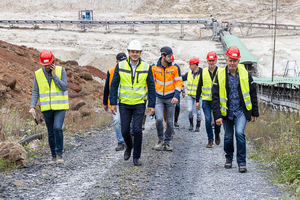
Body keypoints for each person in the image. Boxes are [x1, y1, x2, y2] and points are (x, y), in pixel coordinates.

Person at [211, 46, 259, 173]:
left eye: (235, 60)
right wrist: (217, 116)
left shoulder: (245, 74)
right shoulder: (220, 75)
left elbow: (253, 93)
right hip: (226, 112)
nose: (232, 63)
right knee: (227, 136)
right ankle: (228, 158)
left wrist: (255, 112)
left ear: (238, 61)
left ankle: (242, 163)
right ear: (226, 60)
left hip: (240, 111)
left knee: (239, 133)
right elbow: (215, 97)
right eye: (230, 60)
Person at [110, 40, 155, 166]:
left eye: (137, 52)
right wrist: (113, 103)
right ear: (128, 52)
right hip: (124, 103)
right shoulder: (121, 66)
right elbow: (114, 85)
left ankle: (136, 157)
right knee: (124, 131)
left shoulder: (147, 67)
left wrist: (151, 105)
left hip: (139, 103)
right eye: (132, 52)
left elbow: (151, 87)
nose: (134, 54)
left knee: (137, 130)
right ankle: (129, 147)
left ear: (140, 53)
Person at [29, 50, 69, 164]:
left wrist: (54, 76)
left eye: (49, 64)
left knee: (57, 128)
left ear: (53, 62)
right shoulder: (38, 74)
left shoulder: (61, 71)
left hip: (60, 107)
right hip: (47, 108)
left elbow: (64, 87)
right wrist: (32, 106)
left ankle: (60, 153)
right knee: (50, 132)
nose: (47, 66)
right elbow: (35, 91)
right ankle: (53, 155)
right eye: (44, 64)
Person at [151, 46, 182, 151]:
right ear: (162, 56)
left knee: (169, 121)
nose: (171, 58)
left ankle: (167, 143)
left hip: (171, 98)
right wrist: (150, 97)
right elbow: (150, 84)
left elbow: (179, 82)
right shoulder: (154, 67)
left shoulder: (175, 67)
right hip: (158, 98)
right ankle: (160, 140)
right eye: (169, 56)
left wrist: (176, 96)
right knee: (159, 119)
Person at [196, 51, 222, 148]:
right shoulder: (203, 72)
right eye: (209, 61)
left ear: (216, 60)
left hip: (217, 101)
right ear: (207, 61)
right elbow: (199, 86)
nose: (211, 62)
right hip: (206, 100)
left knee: (217, 120)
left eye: (213, 60)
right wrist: (197, 101)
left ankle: (217, 134)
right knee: (207, 120)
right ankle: (210, 140)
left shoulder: (221, 71)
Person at [103, 53, 127, 151]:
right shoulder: (111, 71)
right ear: (117, 62)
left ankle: (128, 140)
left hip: (126, 100)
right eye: (121, 61)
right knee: (117, 121)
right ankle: (120, 142)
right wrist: (105, 102)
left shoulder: (128, 70)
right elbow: (106, 87)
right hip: (115, 101)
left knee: (126, 122)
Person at [182, 58, 202, 132]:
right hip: (190, 95)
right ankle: (191, 124)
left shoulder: (202, 73)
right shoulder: (189, 74)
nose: (189, 67)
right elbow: (182, 78)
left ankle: (198, 126)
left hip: (199, 96)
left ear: (195, 65)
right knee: (190, 110)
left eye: (190, 65)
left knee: (199, 112)